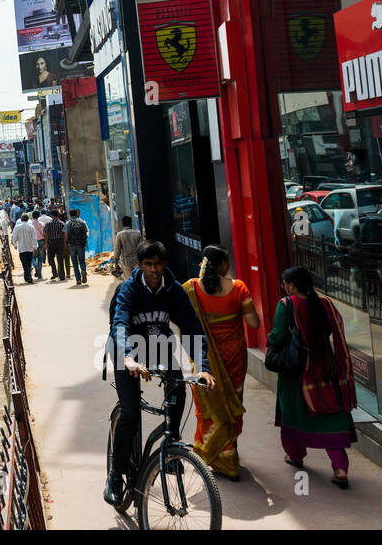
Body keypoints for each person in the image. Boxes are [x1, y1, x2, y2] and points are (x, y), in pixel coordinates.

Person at [104, 240, 214, 507]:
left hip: (159, 347)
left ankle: (171, 445)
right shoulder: (128, 289)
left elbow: (192, 328)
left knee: (178, 389)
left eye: (159, 264)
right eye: (148, 264)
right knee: (130, 413)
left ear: (165, 265)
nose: (154, 270)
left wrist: (202, 368)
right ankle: (115, 476)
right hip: (125, 350)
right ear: (139, 266)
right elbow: (120, 322)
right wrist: (128, 357)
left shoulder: (173, 290)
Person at [273, 266, 358, 488]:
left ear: (292, 286)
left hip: (297, 371)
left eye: (285, 283)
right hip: (326, 368)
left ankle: (295, 456)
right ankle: (340, 468)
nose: (284, 287)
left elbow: (277, 336)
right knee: (330, 416)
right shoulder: (325, 304)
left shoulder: (286, 306)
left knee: (292, 414)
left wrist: (272, 343)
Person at [183, 246, 259, 479]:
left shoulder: (191, 289)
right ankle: (228, 454)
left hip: (203, 359)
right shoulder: (238, 289)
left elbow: (183, 323)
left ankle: (213, 454)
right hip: (234, 359)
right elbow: (254, 324)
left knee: (207, 407)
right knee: (231, 406)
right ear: (224, 265)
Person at [65, 208, 90, 285]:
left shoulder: (68, 223)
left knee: (74, 262)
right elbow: (86, 233)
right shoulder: (82, 222)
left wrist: (66, 244)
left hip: (72, 245)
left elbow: (65, 235)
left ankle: (78, 279)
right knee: (82, 261)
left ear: (70, 214)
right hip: (81, 244)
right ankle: (83, 271)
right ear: (76, 214)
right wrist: (84, 242)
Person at [12, 214, 38, 284]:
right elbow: (34, 238)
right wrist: (35, 247)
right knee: (29, 263)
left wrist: (15, 245)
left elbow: (14, 237)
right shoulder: (31, 227)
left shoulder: (17, 227)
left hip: (22, 248)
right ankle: (28, 276)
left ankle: (28, 277)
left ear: (21, 219)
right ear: (27, 219)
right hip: (30, 248)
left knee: (24, 263)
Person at [43, 210, 66, 281]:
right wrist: (64, 243)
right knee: (60, 259)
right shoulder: (62, 223)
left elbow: (46, 234)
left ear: (51, 215)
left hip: (51, 242)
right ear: (58, 215)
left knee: (51, 258)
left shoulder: (48, 224)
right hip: (60, 242)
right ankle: (62, 275)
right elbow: (65, 234)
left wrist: (46, 243)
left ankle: (55, 273)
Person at [31, 211, 46, 280]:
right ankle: (39, 273)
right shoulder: (41, 224)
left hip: (33, 242)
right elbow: (44, 234)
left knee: (33, 257)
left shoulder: (30, 223)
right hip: (41, 241)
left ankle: (36, 267)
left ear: (32, 216)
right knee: (40, 257)